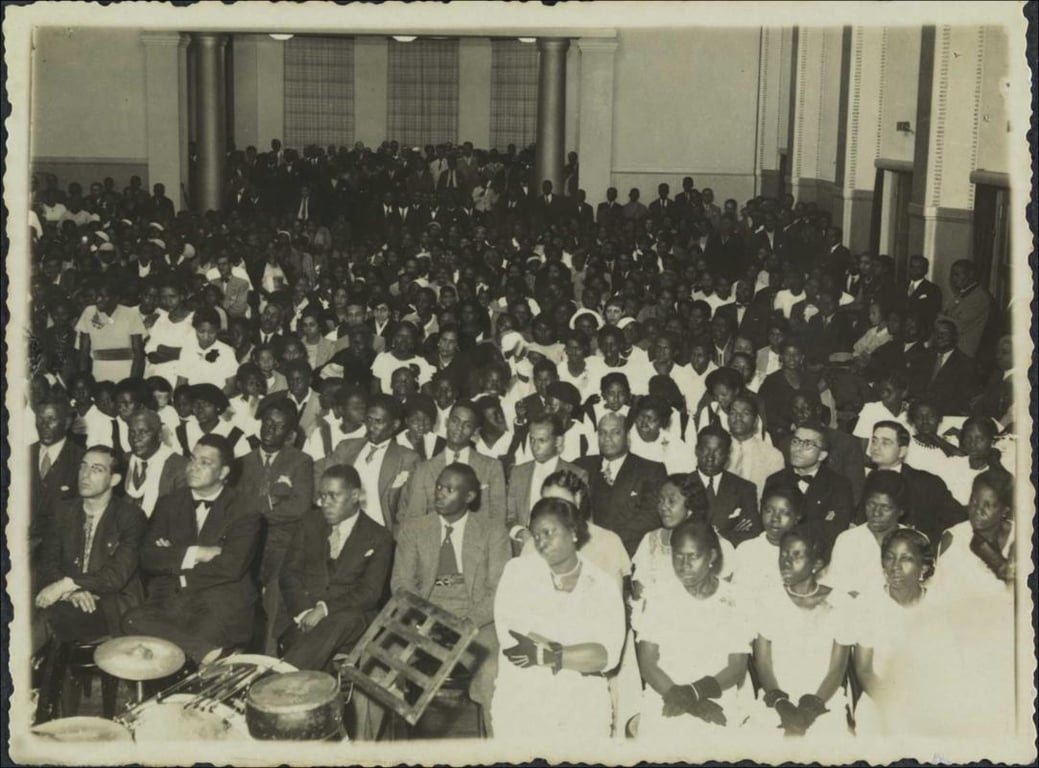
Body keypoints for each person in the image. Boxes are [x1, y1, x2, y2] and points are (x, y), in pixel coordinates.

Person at [385, 464, 509, 738]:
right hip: (422, 616)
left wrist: (470, 622)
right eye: (439, 486)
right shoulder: (414, 529)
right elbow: (402, 584)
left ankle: (496, 749)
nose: (439, 494)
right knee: (380, 666)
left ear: (469, 497)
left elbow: (498, 589)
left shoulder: (492, 531)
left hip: (475, 620)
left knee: (492, 672)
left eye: (449, 489)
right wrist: (424, 618)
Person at [492, 497, 626, 742]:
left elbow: (607, 656)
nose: (540, 543)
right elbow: (514, 641)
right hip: (523, 696)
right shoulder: (517, 572)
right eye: (535, 535)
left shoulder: (602, 584)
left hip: (583, 703)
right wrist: (575, 652)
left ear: (573, 532)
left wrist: (548, 653)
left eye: (548, 533)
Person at [123, 434, 262, 665]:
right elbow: (147, 557)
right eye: (192, 459)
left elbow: (231, 566)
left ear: (224, 473)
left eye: (205, 463)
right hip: (170, 600)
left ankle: (203, 666)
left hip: (219, 601)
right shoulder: (169, 502)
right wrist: (196, 553)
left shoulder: (245, 509)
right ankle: (209, 655)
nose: (193, 468)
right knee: (131, 620)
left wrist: (175, 560)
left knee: (199, 634)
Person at [33, 445, 147, 721]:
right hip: (71, 601)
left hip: (112, 605)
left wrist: (66, 584)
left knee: (48, 617)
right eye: (83, 466)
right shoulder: (63, 512)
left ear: (115, 480)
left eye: (97, 469)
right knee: (45, 612)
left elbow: (116, 576)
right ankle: (39, 702)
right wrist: (71, 591)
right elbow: (47, 564)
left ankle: (41, 713)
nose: (85, 474)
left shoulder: (130, 517)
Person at [635, 519, 752, 744]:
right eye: (678, 556)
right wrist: (688, 701)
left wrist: (695, 693)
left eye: (693, 556)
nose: (683, 564)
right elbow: (648, 663)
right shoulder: (658, 596)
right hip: (666, 700)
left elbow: (737, 666)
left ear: (712, 557)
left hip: (716, 701)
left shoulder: (735, 599)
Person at [279, 464, 393, 671]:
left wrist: (323, 610)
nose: (325, 504)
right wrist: (305, 612)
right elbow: (289, 574)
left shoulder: (379, 537)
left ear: (355, 495)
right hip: (304, 618)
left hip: (351, 619)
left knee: (345, 618)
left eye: (334, 496)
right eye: (322, 496)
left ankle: (281, 676)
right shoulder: (309, 524)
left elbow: (370, 593)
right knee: (312, 653)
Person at [750, 526, 854, 738]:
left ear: (816, 564)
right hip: (776, 696)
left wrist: (810, 710)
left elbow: (837, 669)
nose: (786, 561)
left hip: (823, 698)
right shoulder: (768, 599)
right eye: (784, 554)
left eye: (796, 555)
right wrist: (781, 704)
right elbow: (763, 662)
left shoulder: (841, 602)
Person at [236, 397, 315, 652]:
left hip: (283, 544)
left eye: (278, 426)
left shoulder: (300, 461)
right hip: (246, 542)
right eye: (267, 422)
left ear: (290, 434)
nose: (269, 430)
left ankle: (267, 657)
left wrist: (257, 509)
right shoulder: (243, 463)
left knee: (275, 595)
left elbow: (300, 507)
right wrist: (273, 501)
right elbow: (233, 507)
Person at [852, 528, 942, 737]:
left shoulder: (939, 604)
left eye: (906, 559)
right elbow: (864, 670)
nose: (895, 567)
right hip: (880, 701)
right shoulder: (868, 603)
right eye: (889, 558)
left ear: (924, 567)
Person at [317, 394, 420, 535]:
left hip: (381, 534)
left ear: (395, 425)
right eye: (369, 420)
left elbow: (409, 509)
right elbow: (323, 482)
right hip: (340, 528)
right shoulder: (346, 448)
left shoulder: (407, 458)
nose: (371, 427)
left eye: (378, 422)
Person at [398, 400, 507, 527]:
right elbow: (414, 518)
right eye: (455, 421)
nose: (459, 428)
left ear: (476, 431)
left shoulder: (492, 467)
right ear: (446, 422)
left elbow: (498, 519)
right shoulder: (424, 469)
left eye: (467, 425)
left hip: (477, 543)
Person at [576, 412, 668, 557]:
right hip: (587, 553)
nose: (607, 438)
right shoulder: (581, 466)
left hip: (630, 554)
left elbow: (652, 515)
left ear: (627, 436)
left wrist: (609, 541)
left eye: (615, 432)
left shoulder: (651, 470)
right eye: (602, 433)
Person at [864, 421, 965, 544]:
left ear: (902, 451)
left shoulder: (927, 483)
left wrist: (924, 541)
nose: (876, 447)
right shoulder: (866, 480)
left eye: (885, 442)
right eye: (874, 441)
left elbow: (959, 519)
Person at [765, 422, 853, 557]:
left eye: (807, 444)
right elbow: (769, 526)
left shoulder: (839, 485)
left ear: (822, 455)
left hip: (820, 555)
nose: (798, 449)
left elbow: (835, 531)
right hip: (777, 552)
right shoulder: (775, 481)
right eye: (796, 441)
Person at [505, 416, 588, 552]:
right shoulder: (518, 473)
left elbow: (582, 522)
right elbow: (509, 516)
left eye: (542, 440)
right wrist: (520, 532)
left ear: (558, 441)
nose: (535, 446)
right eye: (532, 440)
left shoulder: (577, 474)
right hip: (523, 550)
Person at [820, 470, 908, 598]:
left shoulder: (914, 541)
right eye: (871, 504)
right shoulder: (848, 540)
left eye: (885, 507)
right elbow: (837, 590)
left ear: (901, 511)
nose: (876, 513)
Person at [30, 398, 85, 560]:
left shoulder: (81, 458)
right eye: (40, 419)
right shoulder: (22, 454)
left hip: (59, 551)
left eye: (51, 419)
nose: (44, 425)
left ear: (67, 423)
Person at [731, 484, 805, 599]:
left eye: (784, 513)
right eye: (769, 511)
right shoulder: (746, 549)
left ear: (797, 517)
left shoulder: (803, 553)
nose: (775, 518)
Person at [692, 425, 760, 547]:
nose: (710, 457)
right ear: (696, 450)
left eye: (718, 451)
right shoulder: (680, 485)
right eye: (705, 449)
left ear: (727, 456)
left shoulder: (745, 489)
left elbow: (752, 533)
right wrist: (729, 533)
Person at [74, 281, 146, 383]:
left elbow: (138, 354)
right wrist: (85, 380)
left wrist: (132, 382)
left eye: (103, 296)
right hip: (99, 370)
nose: (98, 299)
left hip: (126, 370)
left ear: (116, 298)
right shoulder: (89, 312)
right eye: (97, 295)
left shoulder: (130, 314)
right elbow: (83, 352)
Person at [124, 407, 188, 518]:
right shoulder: (124, 461)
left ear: (159, 435)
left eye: (143, 432)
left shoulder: (180, 468)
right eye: (132, 432)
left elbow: (181, 517)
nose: (135, 439)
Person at [725, 392, 784, 502]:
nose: (738, 417)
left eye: (745, 413)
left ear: (756, 421)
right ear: (727, 419)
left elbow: (775, 495)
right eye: (733, 413)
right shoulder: (718, 450)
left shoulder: (772, 456)